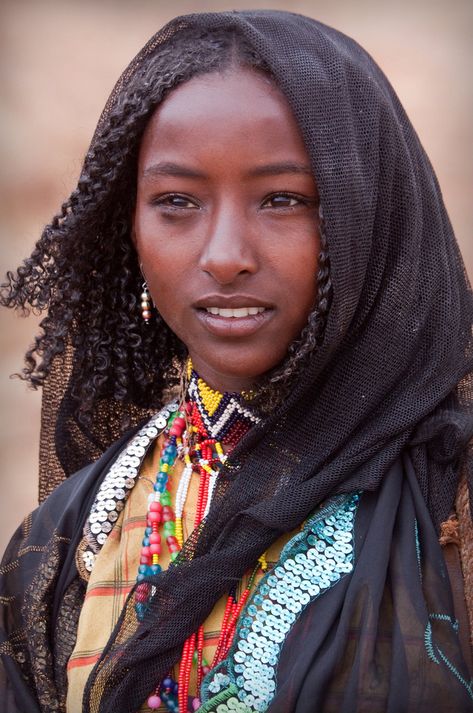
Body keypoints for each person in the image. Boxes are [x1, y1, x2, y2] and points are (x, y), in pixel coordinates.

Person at [1, 9, 472, 713]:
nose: (224, 255)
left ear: (364, 214)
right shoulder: (64, 541)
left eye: (283, 199)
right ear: (126, 226)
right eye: (176, 201)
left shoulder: (449, 498)